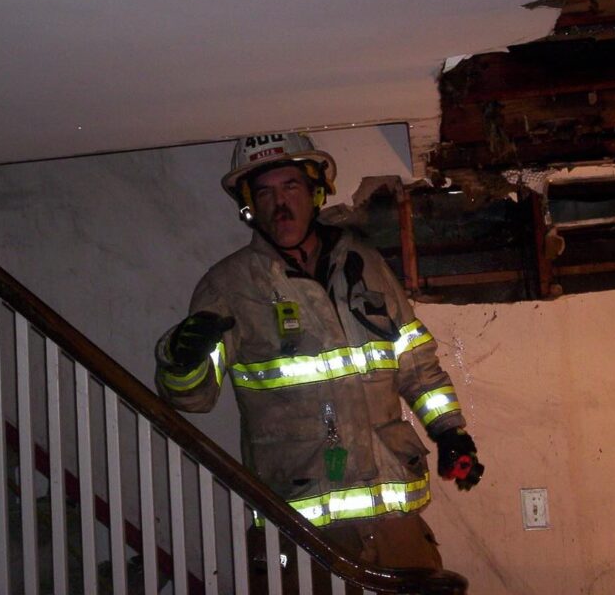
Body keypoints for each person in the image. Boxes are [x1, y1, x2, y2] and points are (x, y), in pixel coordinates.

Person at [154, 132, 482, 586]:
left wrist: (449, 431)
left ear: (315, 191)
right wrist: (180, 359)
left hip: (394, 521)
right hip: (299, 529)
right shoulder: (229, 286)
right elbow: (193, 397)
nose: (279, 204)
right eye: (264, 192)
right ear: (249, 205)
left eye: (290, 186)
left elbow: (414, 359)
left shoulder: (365, 264)